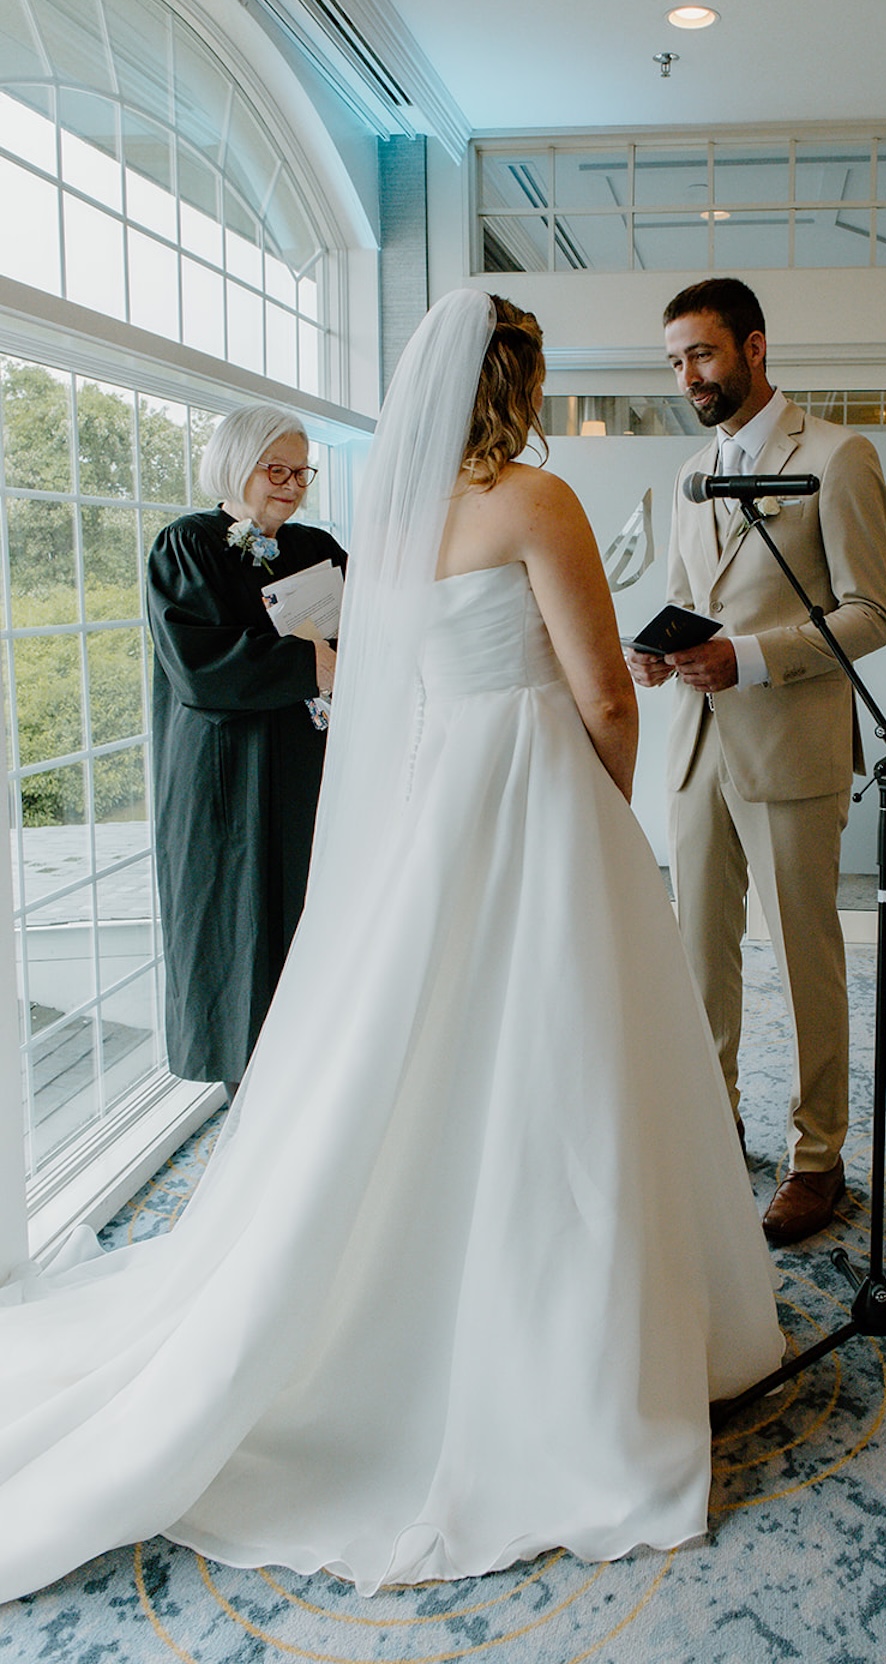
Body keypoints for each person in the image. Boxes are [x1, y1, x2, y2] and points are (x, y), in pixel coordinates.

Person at [0, 289, 781, 1603]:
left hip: (442, 797)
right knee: (564, 1060)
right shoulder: (537, 501)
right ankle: (581, 1357)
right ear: (517, 387)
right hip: (536, 786)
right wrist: (607, 804)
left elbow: (396, 687)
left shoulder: (400, 527)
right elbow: (599, 689)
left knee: (425, 1054)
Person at [626, 278, 886, 1247]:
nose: (685, 377)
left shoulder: (834, 456)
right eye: (673, 362)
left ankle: (815, 1157)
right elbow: (687, 595)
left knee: (802, 960)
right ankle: (713, 1126)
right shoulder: (687, 477)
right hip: (695, 748)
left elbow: (871, 612)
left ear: (752, 347)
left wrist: (746, 658)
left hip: (791, 748)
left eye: (698, 354)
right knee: (697, 958)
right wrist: (657, 654)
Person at [147, 408, 346, 1088]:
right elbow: (199, 666)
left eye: (301, 472)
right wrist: (313, 663)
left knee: (312, 921)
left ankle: (313, 1096)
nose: (291, 485)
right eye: (277, 470)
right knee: (239, 932)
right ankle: (248, 1107)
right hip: (226, 778)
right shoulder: (188, 546)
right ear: (237, 466)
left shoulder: (317, 548)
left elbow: (369, 629)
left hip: (310, 770)